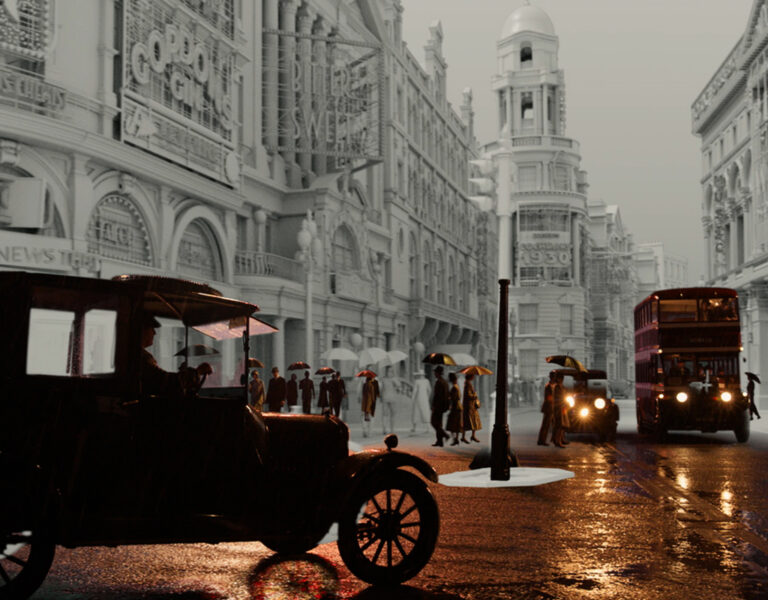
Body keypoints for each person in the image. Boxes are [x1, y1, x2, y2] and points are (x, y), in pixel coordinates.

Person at [140, 315, 212, 397]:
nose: (154, 333)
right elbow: (166, 382)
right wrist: (197, 372)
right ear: (142, 330)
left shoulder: (140, 355)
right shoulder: (142, 357)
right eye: (151, 328)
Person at [430, 365, 450, 447]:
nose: (434, 373)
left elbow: (437, 396)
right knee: (439, 423)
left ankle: (445, 435)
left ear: (438, 373)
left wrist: (434, 406)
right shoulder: (445, 382)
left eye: (435, 372)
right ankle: (440, 441)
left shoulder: (439, 382)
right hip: (443, 406)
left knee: (434, 422)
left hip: (438, 406)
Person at [460, 373, 482, 443]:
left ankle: (469, 436)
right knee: (472, 420)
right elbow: (469, 395)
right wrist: (475, 395)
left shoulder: (467, 383)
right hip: (470, 406)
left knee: (468, 421)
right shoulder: (468, 384)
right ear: (471, 376)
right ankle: (469, 436)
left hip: (469, 406)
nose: (474, 377)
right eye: (473, 375)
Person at [537, 371, 557, 446]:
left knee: (550, 425)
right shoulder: (548, 386)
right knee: (546, 425)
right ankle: (541, 440)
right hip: (548, 408)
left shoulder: (552, 385)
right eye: (554, 376)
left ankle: (551, 439)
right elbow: (548, 398)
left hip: (550, 407)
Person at [551, 372, 569, 448]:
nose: (561, 380)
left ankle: (560, 439)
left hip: (563, 408)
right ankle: (557, 441)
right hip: (558, 408)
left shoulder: (561, 386)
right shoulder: (557, 387)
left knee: (563, 425)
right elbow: (558, 398)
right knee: (559, 425)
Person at [445, 372, 463, 446]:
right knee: (456, 424)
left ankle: (455, 439)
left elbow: (454, 398)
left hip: (455, 407)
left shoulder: (454, 388)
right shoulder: (456, 387)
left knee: (452, 424)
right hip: (458, 407)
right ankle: (456, 439)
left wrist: (449, 398)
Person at [379, 367, 398, 434]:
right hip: (387, 398)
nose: (390, 373)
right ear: (386, 372)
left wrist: (394, 381)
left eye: (391, 371)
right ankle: (385, 428)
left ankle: (391, 429)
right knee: (386, 414)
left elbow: (398, 386)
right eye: (389, 371)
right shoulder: (384, 379)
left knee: (391, 414)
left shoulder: (392, 379)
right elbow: (381, 389)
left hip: (391, 398)